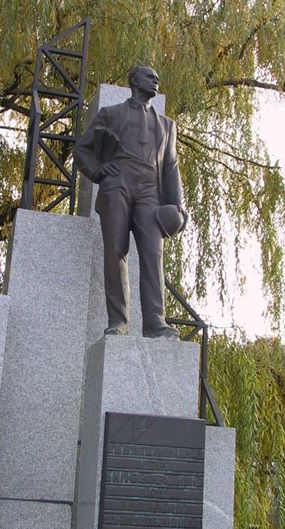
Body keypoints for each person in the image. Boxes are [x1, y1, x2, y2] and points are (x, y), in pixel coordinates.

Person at [74, 65, 186, 338]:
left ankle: (155, 322)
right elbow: (82, 150)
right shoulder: (110, 114)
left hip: (151, 191)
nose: (155, 80)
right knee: (115, 252)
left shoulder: (167, 126)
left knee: (152, 255)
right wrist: (98, 172)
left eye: (157, 77)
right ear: (134, 81)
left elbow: (171, 166)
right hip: (117, 185)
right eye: (149, 76)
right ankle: (119, 321)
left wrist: (178, 206)